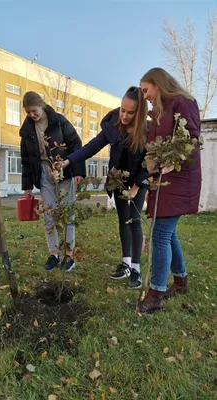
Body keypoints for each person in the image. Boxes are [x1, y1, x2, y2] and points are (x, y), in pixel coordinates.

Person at [55, 87, 149, 289]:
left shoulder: (146, 131)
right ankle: (125, 264)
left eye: (130, 112)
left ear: (139, 113)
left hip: (136, 181)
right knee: (123, 221)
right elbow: (91, 147)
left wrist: (135, 187)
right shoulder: (113, 125)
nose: (124, 115)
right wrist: (68, 161)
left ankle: (136, 269)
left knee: (134, 221)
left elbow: (149, 162)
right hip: (117, 180)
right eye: (122, 109)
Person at [138, 67, 201, 313]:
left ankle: (156, 294)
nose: (145, 96)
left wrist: (171, 161)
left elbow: (192, 139)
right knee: (168, 233)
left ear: (158, 83)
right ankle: (181, 280)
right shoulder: (160, 111)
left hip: (179, 180)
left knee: (160, 235)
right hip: (163, 181)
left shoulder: (183, 103)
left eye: (146, 90)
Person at [20, 91, 86, 272]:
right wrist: (27, 186)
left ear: (41, 105)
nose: (32, 115)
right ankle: (53, 254)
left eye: (34, 110)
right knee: (49, 215)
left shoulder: (58, 121)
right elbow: (26, 159)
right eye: (28, 112)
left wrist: (78, 170)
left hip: (62, 168)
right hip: (43, 172)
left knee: (67, 214)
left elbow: (76, 143)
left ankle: (69, 255)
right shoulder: (27, 131)